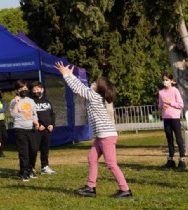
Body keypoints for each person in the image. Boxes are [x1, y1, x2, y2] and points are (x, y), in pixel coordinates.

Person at [54, 61, 132, 199]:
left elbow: (79, 89)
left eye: (95, 82)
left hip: (107, 136)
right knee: (92, 158)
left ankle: (125, 190)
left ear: (98, 89)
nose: (93, 83)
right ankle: (90, 187)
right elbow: (81, 87)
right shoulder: (93, 94)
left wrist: (66, 75)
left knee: (111, 164)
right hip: (102, 135)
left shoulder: (94, 96)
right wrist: (71, 75)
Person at [9, 80, 39, 181]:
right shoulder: (14, 101)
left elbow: (34, 114)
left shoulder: (31, 101)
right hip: (20, 129)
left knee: (34, 150)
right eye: (21, 89)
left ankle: (31, 169)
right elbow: (13, 115)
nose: (24, 90)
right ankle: (24, 172)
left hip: (31, 128)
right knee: (24, 152)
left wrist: (36, 122)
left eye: (25, 88)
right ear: (17, 90)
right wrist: (17, 103)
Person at [158, 72, 186, 169]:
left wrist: (170, 102)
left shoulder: (175, 91)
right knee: (169, 138)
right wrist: (162, 106)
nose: (165, 82)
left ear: (171, 81)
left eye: (167, 80)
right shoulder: (161, 92)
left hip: (175, 117)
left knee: (178, 138)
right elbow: (160, 105)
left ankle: (182, 160)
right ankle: (171, 159)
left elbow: (180, 104)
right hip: (166, 118)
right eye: (164, 80)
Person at [30, 81, 57, 175]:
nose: (36, 91)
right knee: (33, 149)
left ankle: (45, 167)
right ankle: (31, 168)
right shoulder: (31, 101)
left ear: (42, 90)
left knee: (45, 149)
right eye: (34, 90)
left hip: (47, 130)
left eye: (38, 89)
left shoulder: (47, 101)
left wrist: (52, 124)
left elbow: (52, 114)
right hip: (36, 130)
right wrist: (37, 124)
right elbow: (30, 115)